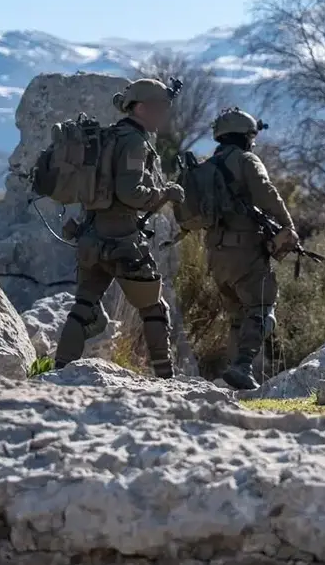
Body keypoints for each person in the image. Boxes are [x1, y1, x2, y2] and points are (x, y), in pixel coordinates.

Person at [54, 78, 185, 377]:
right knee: (154, 309)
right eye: (159, 108)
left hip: (91, 237)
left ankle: (58, 372)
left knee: (83, 307)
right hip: (123, 240)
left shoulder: (108, 137)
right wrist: (165, 193)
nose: (163, 115)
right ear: (141, 108)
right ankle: (167, 379)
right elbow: (131, 193)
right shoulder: (135, 142)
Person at [201, 107, 300, 391]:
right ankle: (242, 366)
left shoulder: (206, 167)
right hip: (245, 253)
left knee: (237, 317)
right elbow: (267, 193)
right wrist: (288, 226)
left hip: (216, 256)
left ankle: (234, 378)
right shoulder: (246, 160)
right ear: (245, 136)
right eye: (251, 137)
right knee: (261, 309)